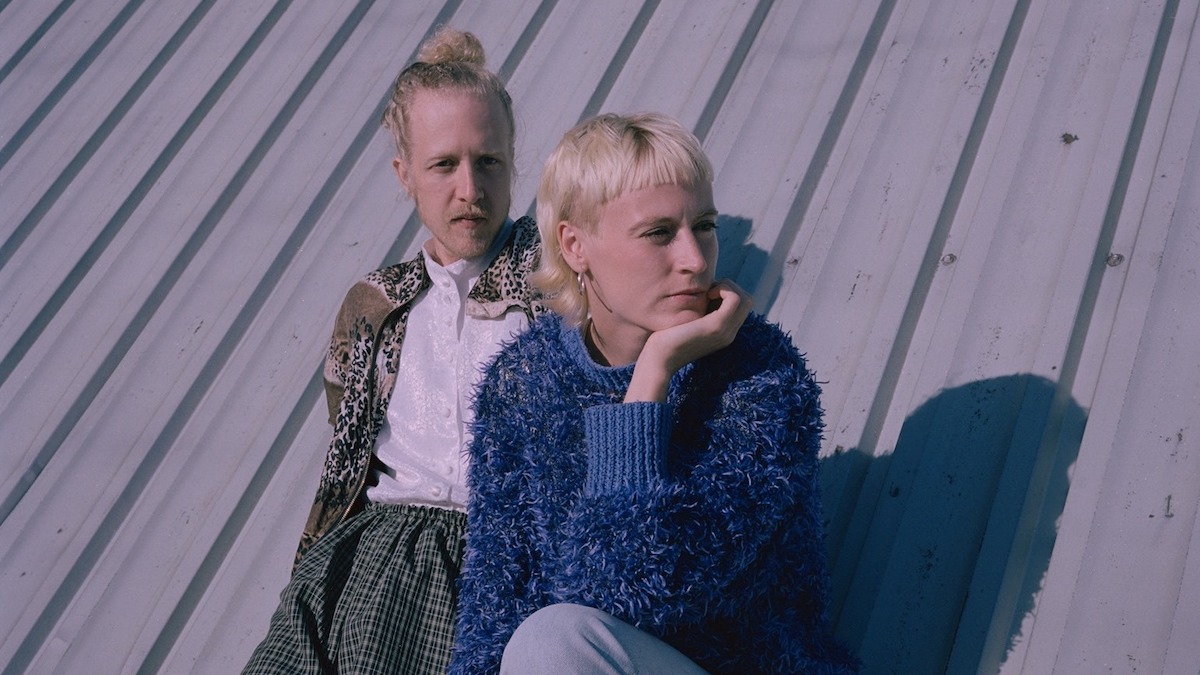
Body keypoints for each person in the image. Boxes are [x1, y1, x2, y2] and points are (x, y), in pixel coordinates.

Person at [448, 112, 860, 674]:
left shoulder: (760, 377)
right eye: (659, 233)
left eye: (704, 226)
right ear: (574, 245)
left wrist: (652, 376)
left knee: (551, 641)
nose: (695, 259)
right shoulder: (522, 383)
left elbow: (634, 586)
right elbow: (491, 611)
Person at [243, 27, 542, 675]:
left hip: (500, 559)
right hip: (370, 559)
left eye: (489, 161)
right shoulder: (376, 305)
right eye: (444, 164)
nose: (470, 187)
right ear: (404, 174)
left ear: (513, 161)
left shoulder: (554, 287)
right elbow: (348, 437)